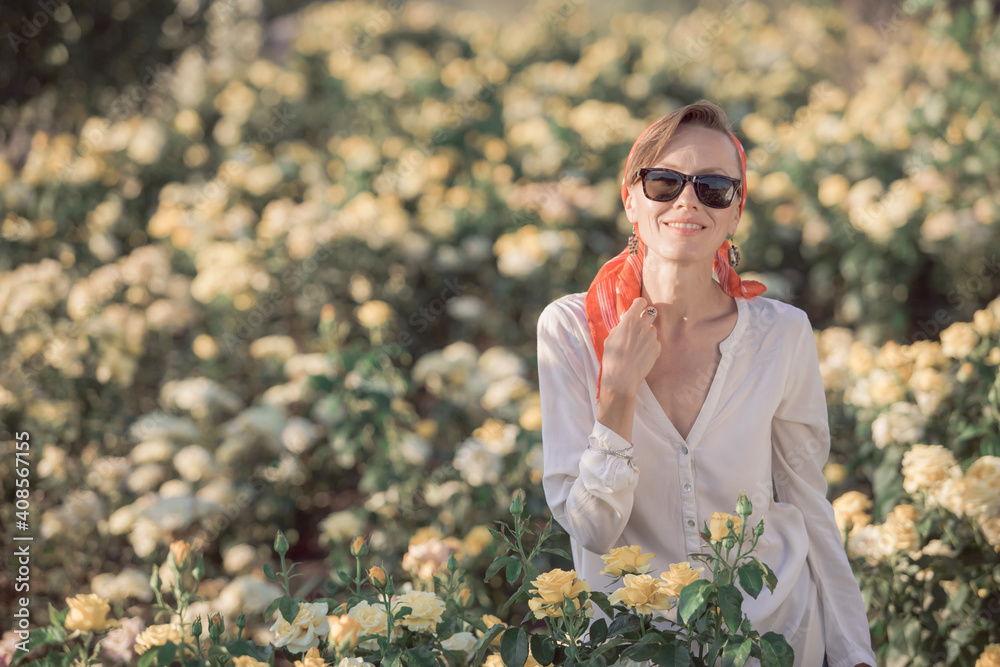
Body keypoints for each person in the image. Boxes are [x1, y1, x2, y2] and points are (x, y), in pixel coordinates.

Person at [536, 100, 876, 667]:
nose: (687, 201)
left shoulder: (783, 334)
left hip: (774, 637)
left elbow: (806, 501)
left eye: (714, 187)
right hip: (638, 646)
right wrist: (617, 391)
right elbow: (593, 529)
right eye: (664, 182)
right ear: (630, 197)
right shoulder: (571, 331)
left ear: (736, 210)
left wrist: (853, 653)